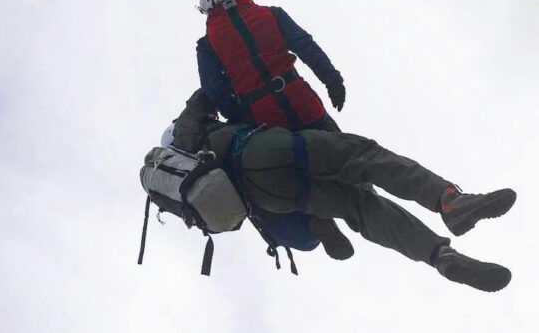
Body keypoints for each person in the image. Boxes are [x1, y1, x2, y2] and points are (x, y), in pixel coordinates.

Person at [168, 89, 516, 292]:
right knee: (362, 156)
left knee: (360, 207)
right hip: (263, 150)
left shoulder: (195, 181)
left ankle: (440, 257)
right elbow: (210, 90)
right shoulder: (188, 131)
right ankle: (449, 201)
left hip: (268, 197)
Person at [196, 0, 345, 131]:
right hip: (304, 106)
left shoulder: (207, 45)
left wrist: (239, 116)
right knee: (340, 151)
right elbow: (306, 47)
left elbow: (213, 88)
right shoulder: (272, 15)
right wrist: (333, 80)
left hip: (263, 123)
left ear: (206, 1)